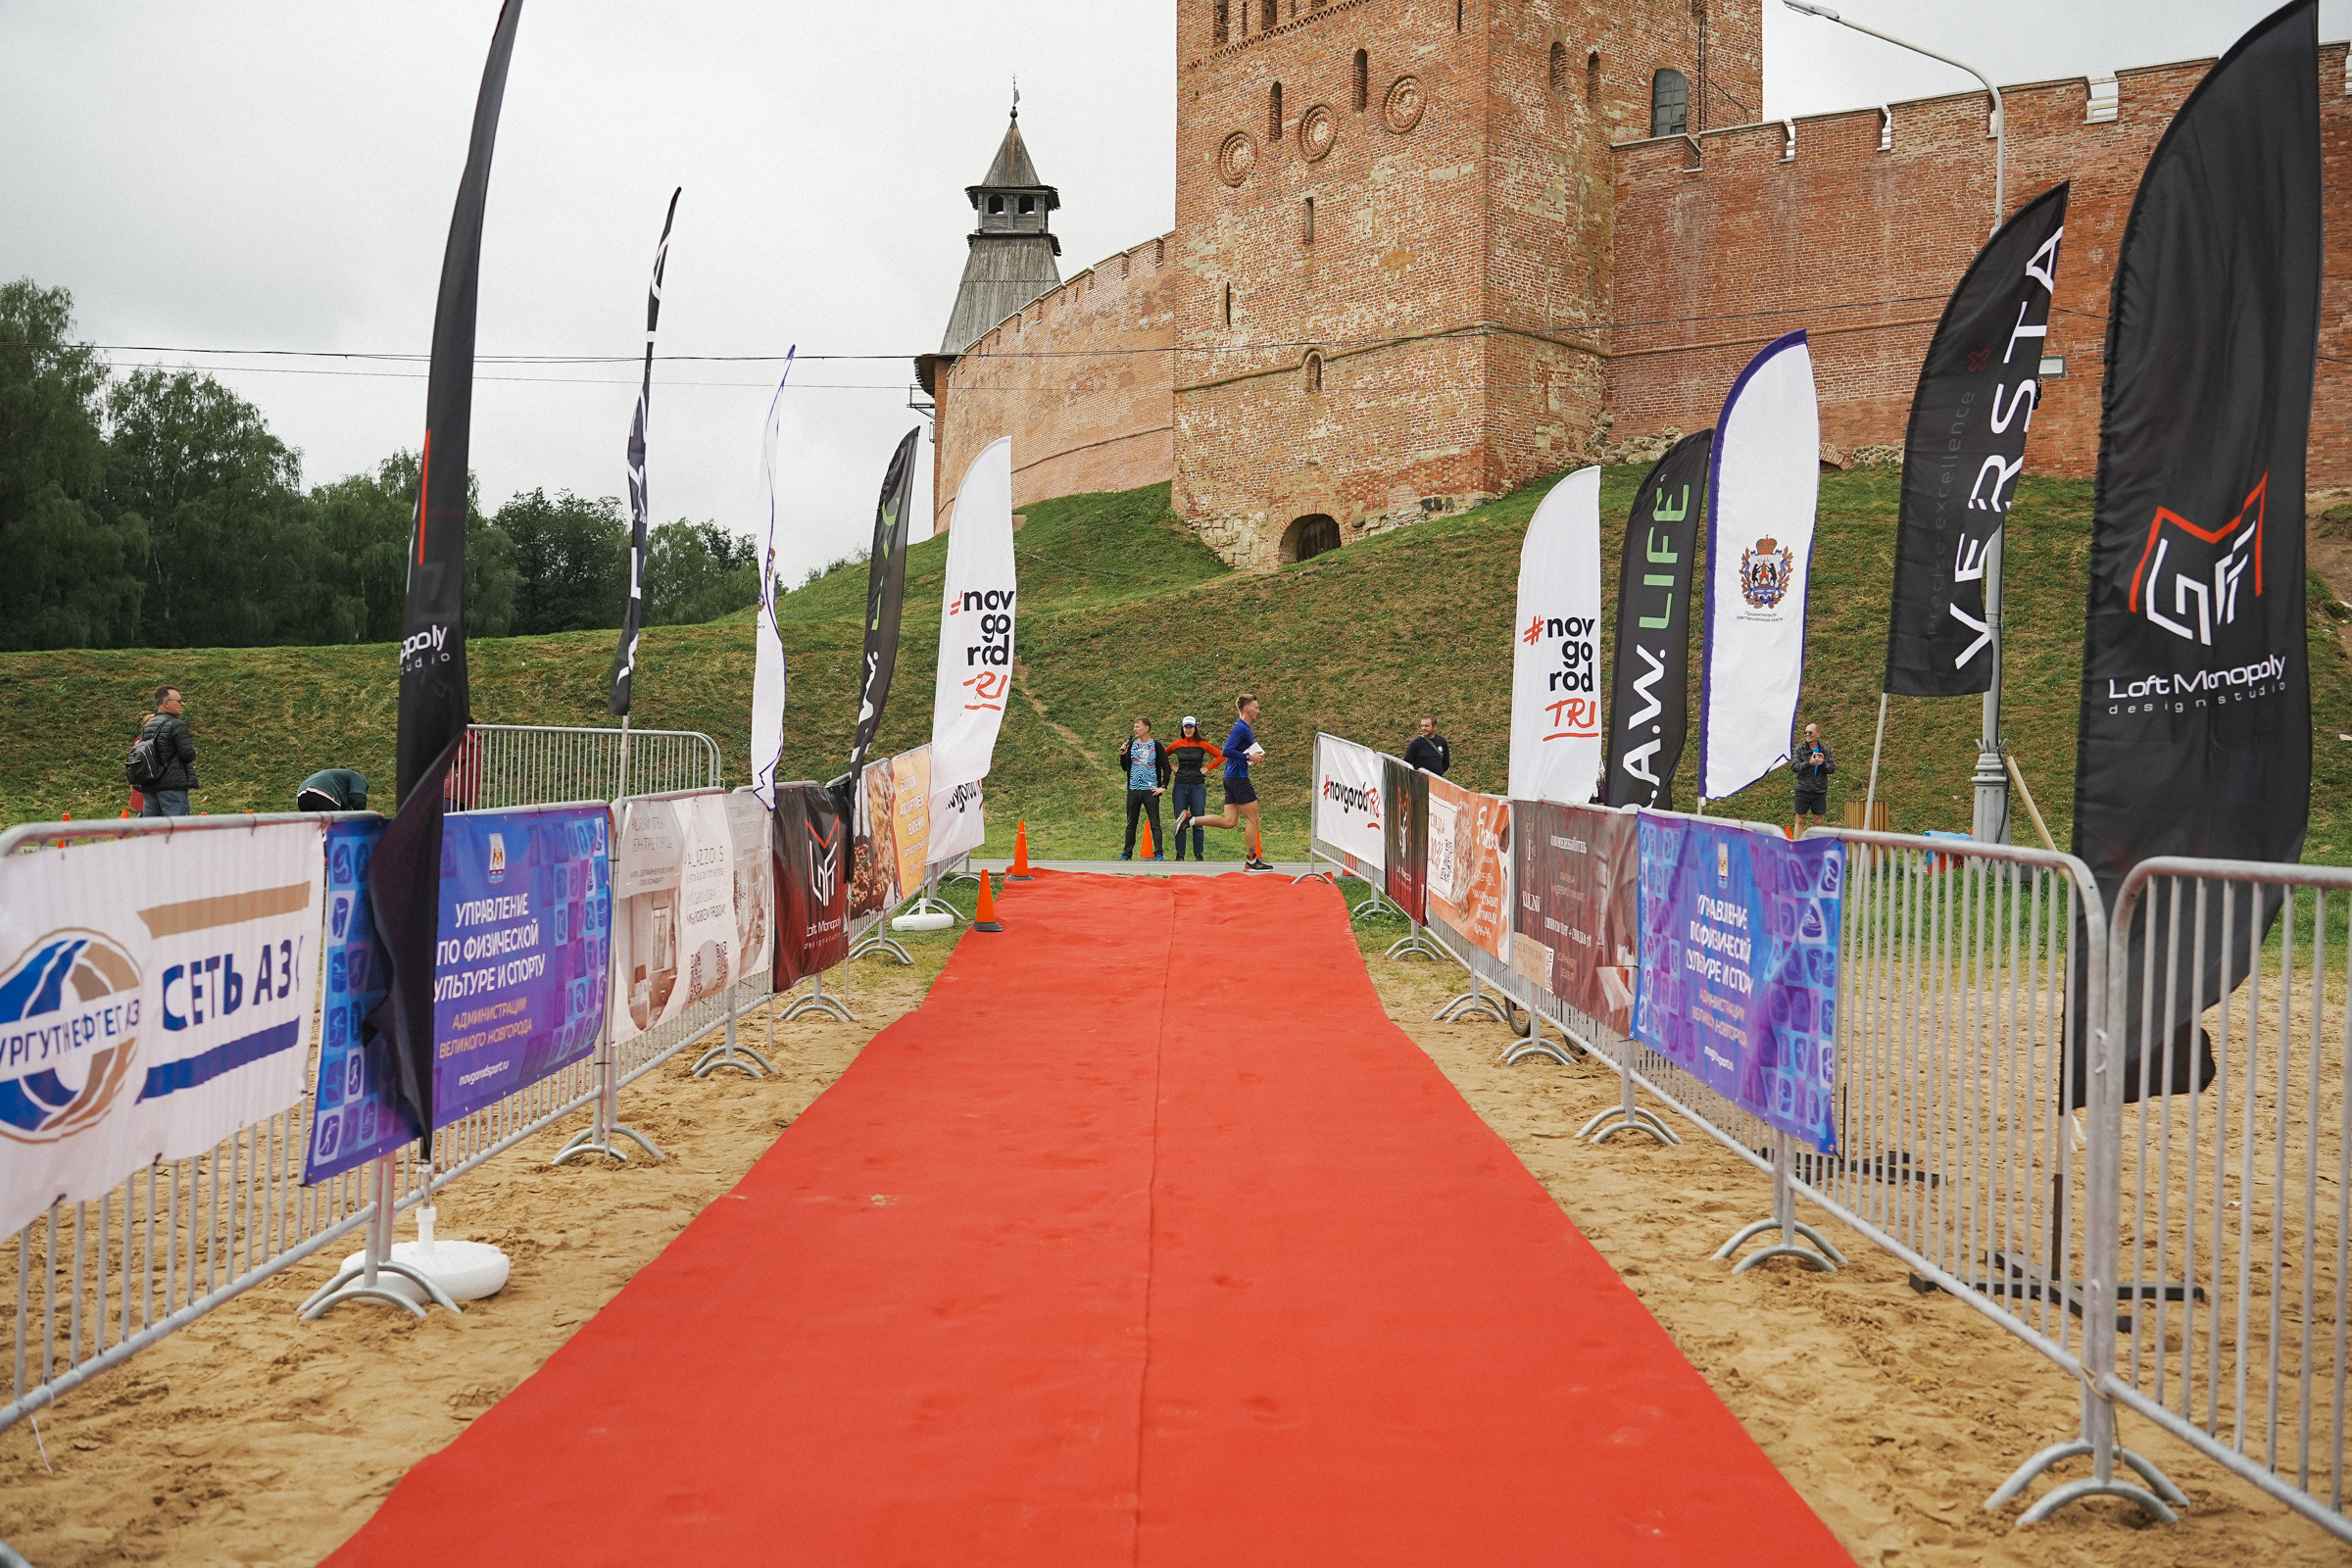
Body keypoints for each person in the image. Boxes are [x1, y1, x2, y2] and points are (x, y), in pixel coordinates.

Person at [1174, 693, 1272, 870]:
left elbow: (1234, 751)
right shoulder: (1241, 728)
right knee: (1253, 819)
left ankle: (1191, 820)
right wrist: (1249, 756)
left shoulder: (1242, 728)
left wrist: (1250, 756)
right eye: (1256, 708)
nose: (1259, 711)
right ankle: (1251, 861)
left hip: (1231, 776)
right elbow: (1226, 751)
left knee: (1230, 821)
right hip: (1238, 778)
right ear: (1247, 709)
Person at [1162, 716, 1224, 862]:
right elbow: (1161, 755)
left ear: (1195, 728)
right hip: (1180, 785)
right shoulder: (1177, 744)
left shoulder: (1202, 744)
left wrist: (1208, 768)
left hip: (1197, 785)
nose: (1188, 729)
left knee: (1198, 820)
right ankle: (1180, 855)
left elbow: (1221, 755)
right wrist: (1172, 767)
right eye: (1185, 727)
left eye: (1190, 727)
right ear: (1182, 729)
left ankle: (1199, 855)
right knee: (1180, 821)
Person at [137, 685, 197, 817]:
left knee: (152, 830)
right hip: (172, 786)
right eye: (179, 701)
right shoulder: (177, 724)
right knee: (176, 831)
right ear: (166, 703)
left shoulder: (147, 725)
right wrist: (193, 752)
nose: (183, 704)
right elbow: (187, 754)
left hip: (150, 784)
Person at [1115, 717, 1169, 860]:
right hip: (1133, 790)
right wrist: (1123, 755)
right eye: (1134, 726)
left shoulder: (1156, 746)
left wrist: (1163, 786)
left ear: (1146, 728)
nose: (1135, 729)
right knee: (1131, 823)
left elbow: (1166, 767)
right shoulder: (1132, 745)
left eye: (1137, 726)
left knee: (1155, 823)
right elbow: (1125, 767)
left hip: (1150, 791)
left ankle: (1158, 854)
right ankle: (1126, 854)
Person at [1792, 721, 1835, 833]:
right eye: (1806, 732)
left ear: (1818, 734)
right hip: (1803, 790)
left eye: (1810, 732)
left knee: (1818, 821)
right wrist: (1809, 763)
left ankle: (1816, 847)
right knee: (1800, 820)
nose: (1807, 734)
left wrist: (1823, 763)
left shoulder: (1825, 750)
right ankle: (1798, 847)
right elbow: (1794, 766)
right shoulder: (1800, 749)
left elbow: (1831, 769)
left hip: (1819, 791)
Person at [298, 768, 370, 811]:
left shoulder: (342, 784)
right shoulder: (359, 778)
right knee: (336, 826)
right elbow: (358, 799)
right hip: (323, 792)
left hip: (301, 795)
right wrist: (362, 819)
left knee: (317, 829)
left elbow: (347, 812)